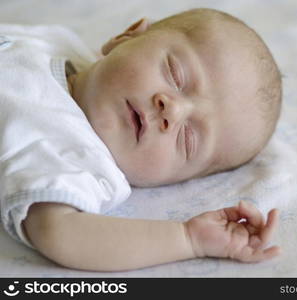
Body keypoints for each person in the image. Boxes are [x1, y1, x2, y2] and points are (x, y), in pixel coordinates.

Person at [0, 8, 282, 271]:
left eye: (187, 139)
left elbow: (59, 232)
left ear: (174, 180)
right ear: (127, 36)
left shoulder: (73, 160)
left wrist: (189, 238)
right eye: (175, 74)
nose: (173, 109)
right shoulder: (59, 44)